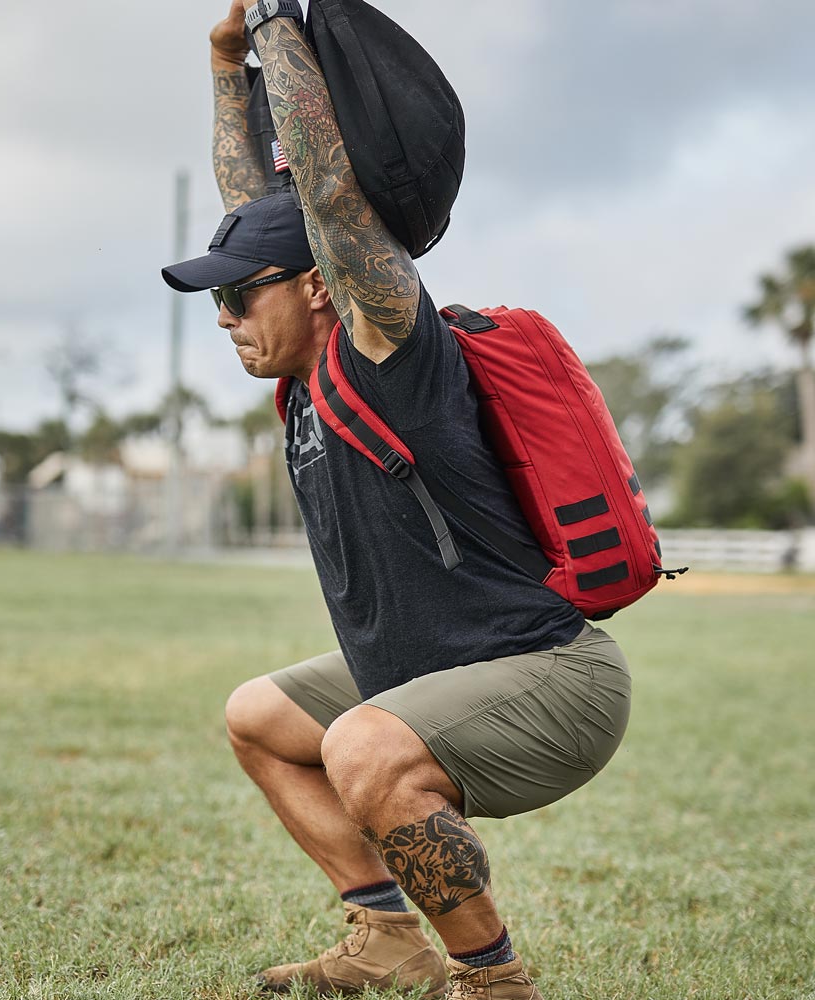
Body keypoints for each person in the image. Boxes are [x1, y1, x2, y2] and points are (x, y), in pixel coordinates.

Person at [162, 3, 632, 998]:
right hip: (431, 669)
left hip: (550, 677)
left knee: (361, 743)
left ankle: (492, 978)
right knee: (259, 717)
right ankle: (385, 936)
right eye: (218, 299)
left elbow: (329, 200)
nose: (227, 316)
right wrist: (225, 62)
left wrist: (283, 24)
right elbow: (262, 205)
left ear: (318, 286)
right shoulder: (300, 382)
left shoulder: (387, 353)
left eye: (240, 295)